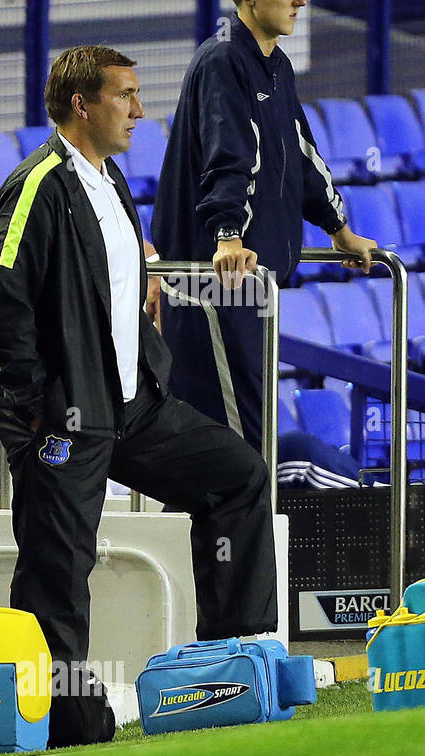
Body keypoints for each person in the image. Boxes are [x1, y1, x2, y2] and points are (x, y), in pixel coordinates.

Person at [0, 46, 278, 749]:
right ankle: (67, 734)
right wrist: (38, 414)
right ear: (82, 106)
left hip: (133, 408)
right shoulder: (34, 188)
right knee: (57, 580)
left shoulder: (111, 180)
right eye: (126, 97)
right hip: (65, 420)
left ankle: (232, 665)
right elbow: (2, 315)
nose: (140, 111)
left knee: (237, 477)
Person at [153, 0, 377, 451]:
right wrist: (227, 233)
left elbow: (301, 152)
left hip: (251, 286)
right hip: (216, 286)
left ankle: (220, 522)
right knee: (234, 446)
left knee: (240, 444)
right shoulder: (223, 60)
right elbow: (227, 154)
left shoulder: (275, 63)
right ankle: (224, 524)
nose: (301, 1)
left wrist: (339, 228)